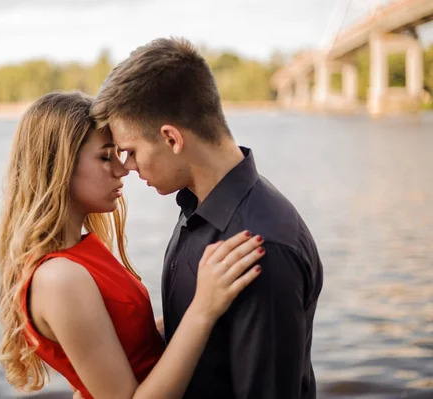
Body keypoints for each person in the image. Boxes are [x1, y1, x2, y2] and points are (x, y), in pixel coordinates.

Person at [91, 37, 324, 399]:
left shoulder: (261, 246)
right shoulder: (198, 208)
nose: (128, 167)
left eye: (131, 151)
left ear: (171, 139)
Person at [0, 91, 265, 399]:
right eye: (105, 157)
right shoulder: (59, 279)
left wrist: (213, 299)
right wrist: (203, 309)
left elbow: (134, 346)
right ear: (60, 166)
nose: (123, 170)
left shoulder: (80, 255)